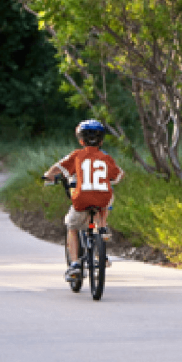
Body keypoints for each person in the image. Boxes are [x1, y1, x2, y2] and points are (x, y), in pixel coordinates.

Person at [43, 120, 124, 282]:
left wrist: (48, 175)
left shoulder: (76, 155)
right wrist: (111, 180)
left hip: (82, 199)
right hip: (103, 198)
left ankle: (74, 264)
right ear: (102, 141)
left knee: (71, 226)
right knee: (106, 201)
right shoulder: (106, 157)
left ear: (80, 140)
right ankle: (102, 229)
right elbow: (119, 175)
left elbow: (57, 168)